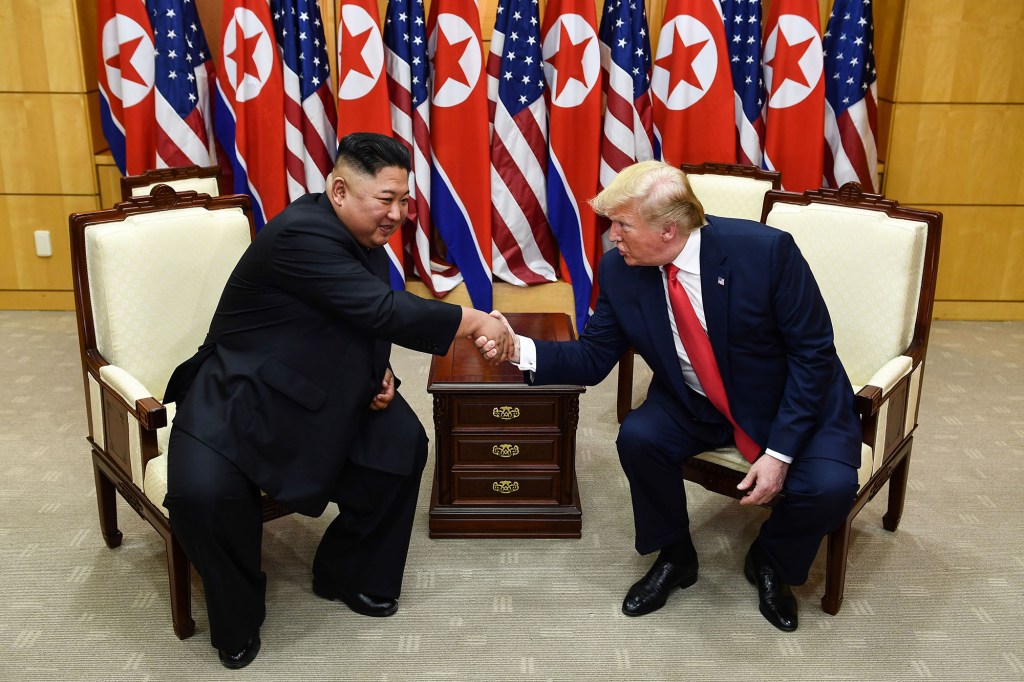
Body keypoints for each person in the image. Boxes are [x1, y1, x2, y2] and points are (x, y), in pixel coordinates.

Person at [162, 132, 511, 669]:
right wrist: (474, 320)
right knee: (202, 496)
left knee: (402, 444)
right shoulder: (301, 233)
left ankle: (348, 571)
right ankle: (237, 616)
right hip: (243, 390)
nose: (397, 214)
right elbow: (379, 309)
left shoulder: (361, 232)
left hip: (327, 384)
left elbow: (353, 316)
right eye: (385, 200)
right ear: (340, 190)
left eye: (403, 199)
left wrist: (382, 370)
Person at [485, 160, 860, 632]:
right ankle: (676, 555)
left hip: (789, 400)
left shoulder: (765, 253)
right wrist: (516, 347)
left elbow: (813, 356)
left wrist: (780, 452)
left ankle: (771, 560)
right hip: (696, 398)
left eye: (622, 225)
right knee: (639, 438)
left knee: (829, 489)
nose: (612, 237)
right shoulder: (620, 269)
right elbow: (594, 357)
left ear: (669, 230)